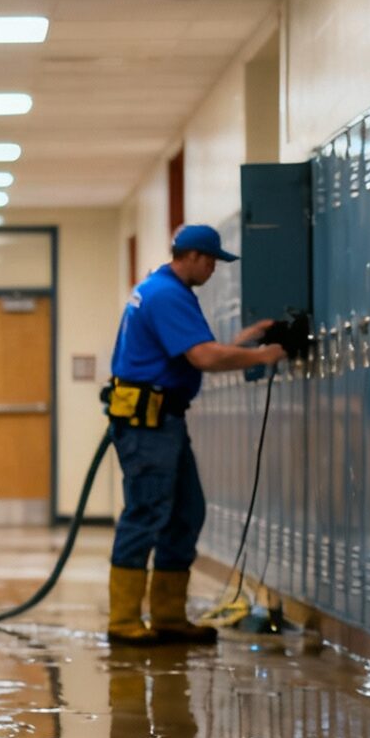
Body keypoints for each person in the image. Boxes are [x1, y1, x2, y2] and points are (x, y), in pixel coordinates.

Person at [103, 223, 286, 645]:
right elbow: (202, 356)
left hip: (161, 419)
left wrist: (239, 344)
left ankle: (168, 616)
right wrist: (263, 355)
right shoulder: (168, 293)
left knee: (186, 512)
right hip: (150, 423)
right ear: (196, 258)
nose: (214, 272)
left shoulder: (159, 288)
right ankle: (125, 621)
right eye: (213, 263)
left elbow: (192, 351)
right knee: (146, 513)